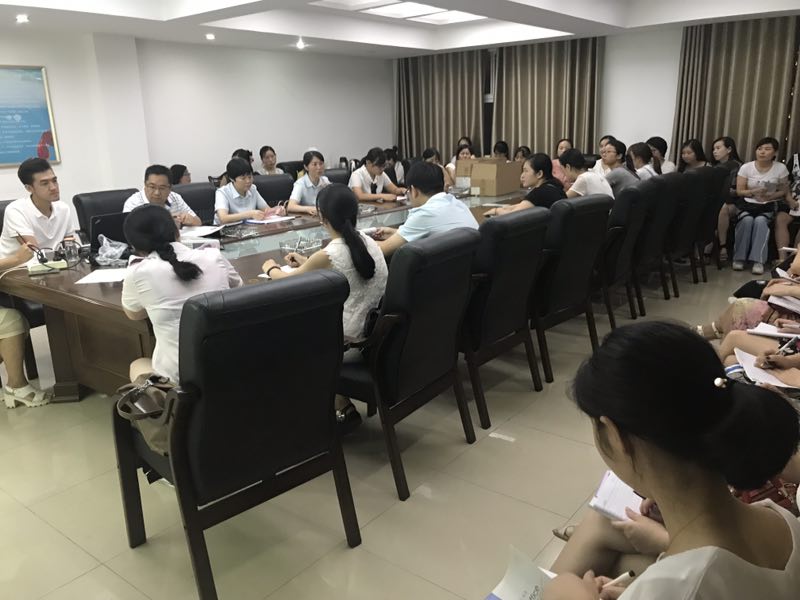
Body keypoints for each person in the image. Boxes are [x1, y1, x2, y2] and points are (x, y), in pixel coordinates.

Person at [543, 321, 800, 600]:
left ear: (615, 436)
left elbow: (687, 586)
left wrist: (561, 591)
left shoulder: (673, 588)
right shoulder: (782, 522)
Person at [262, 184, 388, 431]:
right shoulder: (368, 241)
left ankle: (327, 407)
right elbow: (340, 264)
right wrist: (308, 263)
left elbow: (289, 281)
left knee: (286, 335)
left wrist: (270, 268)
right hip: (376, 332)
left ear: (322, 218)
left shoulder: (331, 252)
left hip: (349, 342)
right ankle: (340, 404)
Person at [121, 204, 243, 382]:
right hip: (231, 366)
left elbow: (134, 314)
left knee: (138, 365)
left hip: (181, 380)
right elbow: (238, 290)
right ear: (176, 231)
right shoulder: (213, 256)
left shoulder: (138, 273)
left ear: (134, 245)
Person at [372, 161, 478, 257]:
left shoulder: (424, 214)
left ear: (413, 190)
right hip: (468, 266)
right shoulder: (457, 203)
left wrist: (364, 241)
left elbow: (381, 250)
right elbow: (430, 230)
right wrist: (395, 232)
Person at [732, 137, 793, 274]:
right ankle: (739, 258)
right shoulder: (746, 167)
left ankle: (758, 261)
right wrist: (753, 192)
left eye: (767, 149)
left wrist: (770, 196)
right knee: (746, 220)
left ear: (775, 152)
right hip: (748, 203)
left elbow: (783, 190)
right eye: (759, 149)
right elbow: (739, 191)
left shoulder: (780, 168)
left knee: (760, 221)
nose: (762, 152)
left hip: (768, 204)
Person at [0, 158, 75, 260]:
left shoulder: (63, 209)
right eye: (45, 183)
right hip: (20, 267)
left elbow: (71, 247)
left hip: (55, 263)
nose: (53, 187)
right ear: (29, 188)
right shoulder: (15, 211)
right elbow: (35, 253)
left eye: (54, 180)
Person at [484, 153, 565, 216]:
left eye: (526, 171)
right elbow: (523, 206)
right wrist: (508, 207)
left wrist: (496, 211)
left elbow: (513, 214)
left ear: (539, 174)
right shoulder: (556, 187)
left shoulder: (540, 193)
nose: (522, 176)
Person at [123, 164, 201, 227]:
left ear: (170, 188)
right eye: (152, 187)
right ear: (145, 185)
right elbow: (128, 232)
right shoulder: (133, 202)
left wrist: (190, 220)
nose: (157, 192)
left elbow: (198, 222)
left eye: (162, 188)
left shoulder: (175, 197)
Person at [214, 157, 286, 225]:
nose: (248, 181)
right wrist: (249, 214)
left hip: (248, 229)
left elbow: (266, 210)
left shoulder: (252, 189)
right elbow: (223, 218)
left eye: (250, 177)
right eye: (243, 178)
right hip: (225, 231)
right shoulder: (222, 192)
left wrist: (276, 210)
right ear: (232, 179)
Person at [710, 137, 743, 261]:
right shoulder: (714, 167)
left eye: (718, 148)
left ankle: (722, 246)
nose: (715, 151)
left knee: (722, 208)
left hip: (736, 203)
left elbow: (737, 191)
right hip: (715, 201)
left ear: (729, 149)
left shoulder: (738, 167)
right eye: (713, 149)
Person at [287, 150, 330, 216]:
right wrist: (308, 209)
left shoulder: (325, 181)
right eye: (314, 164)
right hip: (307, 218)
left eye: (321, 164)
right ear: (306, 167)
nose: (319, 167)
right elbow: (290, 206)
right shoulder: (300, 183)